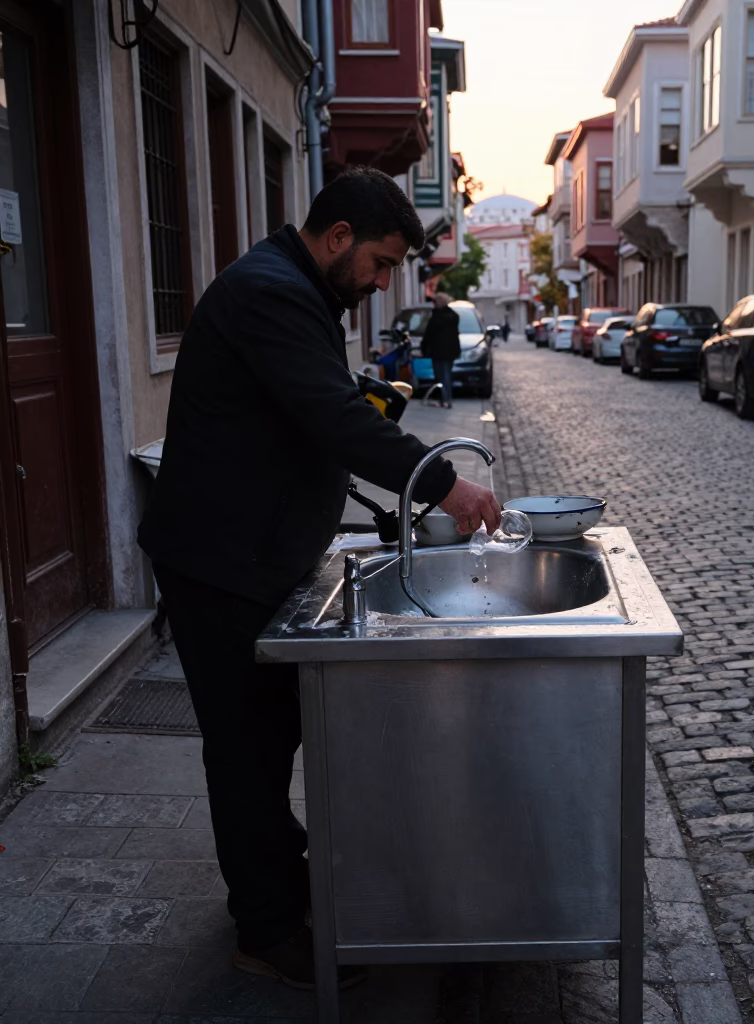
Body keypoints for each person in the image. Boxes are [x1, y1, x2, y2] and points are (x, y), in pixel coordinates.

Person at [137, 167, 500, 991]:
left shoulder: (296, 287)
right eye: (376, 262)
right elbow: (330, 419)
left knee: (272, 736)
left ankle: (284, 882)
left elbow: (321, 408)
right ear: (337, 238)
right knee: (247, 752)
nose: (379, 282)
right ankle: (264, 930)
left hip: (256, 552)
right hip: (220, 562)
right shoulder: (271, 291)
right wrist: (448, 483)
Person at [420, 292, 460, 408]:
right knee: (447, 374)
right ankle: (446, 398)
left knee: (441, 376)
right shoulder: (453, 316)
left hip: (438, 351)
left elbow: (429, 334)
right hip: (450, 351)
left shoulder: (437, 317)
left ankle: (445, 399)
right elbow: (455, 335)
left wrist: (424, 347)